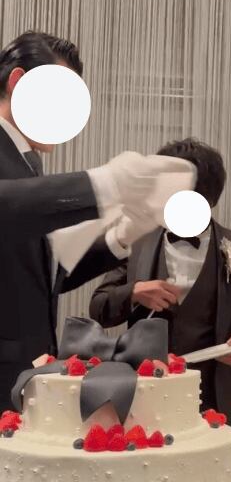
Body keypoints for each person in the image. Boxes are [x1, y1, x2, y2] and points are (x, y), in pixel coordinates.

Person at [0, 31, 195, 410]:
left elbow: (46, 277)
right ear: (18, 83)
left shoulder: (26, 164)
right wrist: (105, 184)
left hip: (22, 374)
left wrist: (120, 238)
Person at [89, 138, 231, 441]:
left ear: (208, 198)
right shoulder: (135, 243)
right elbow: (98, 308)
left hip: (216, 399)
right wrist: (134, 292)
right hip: (144, 395)